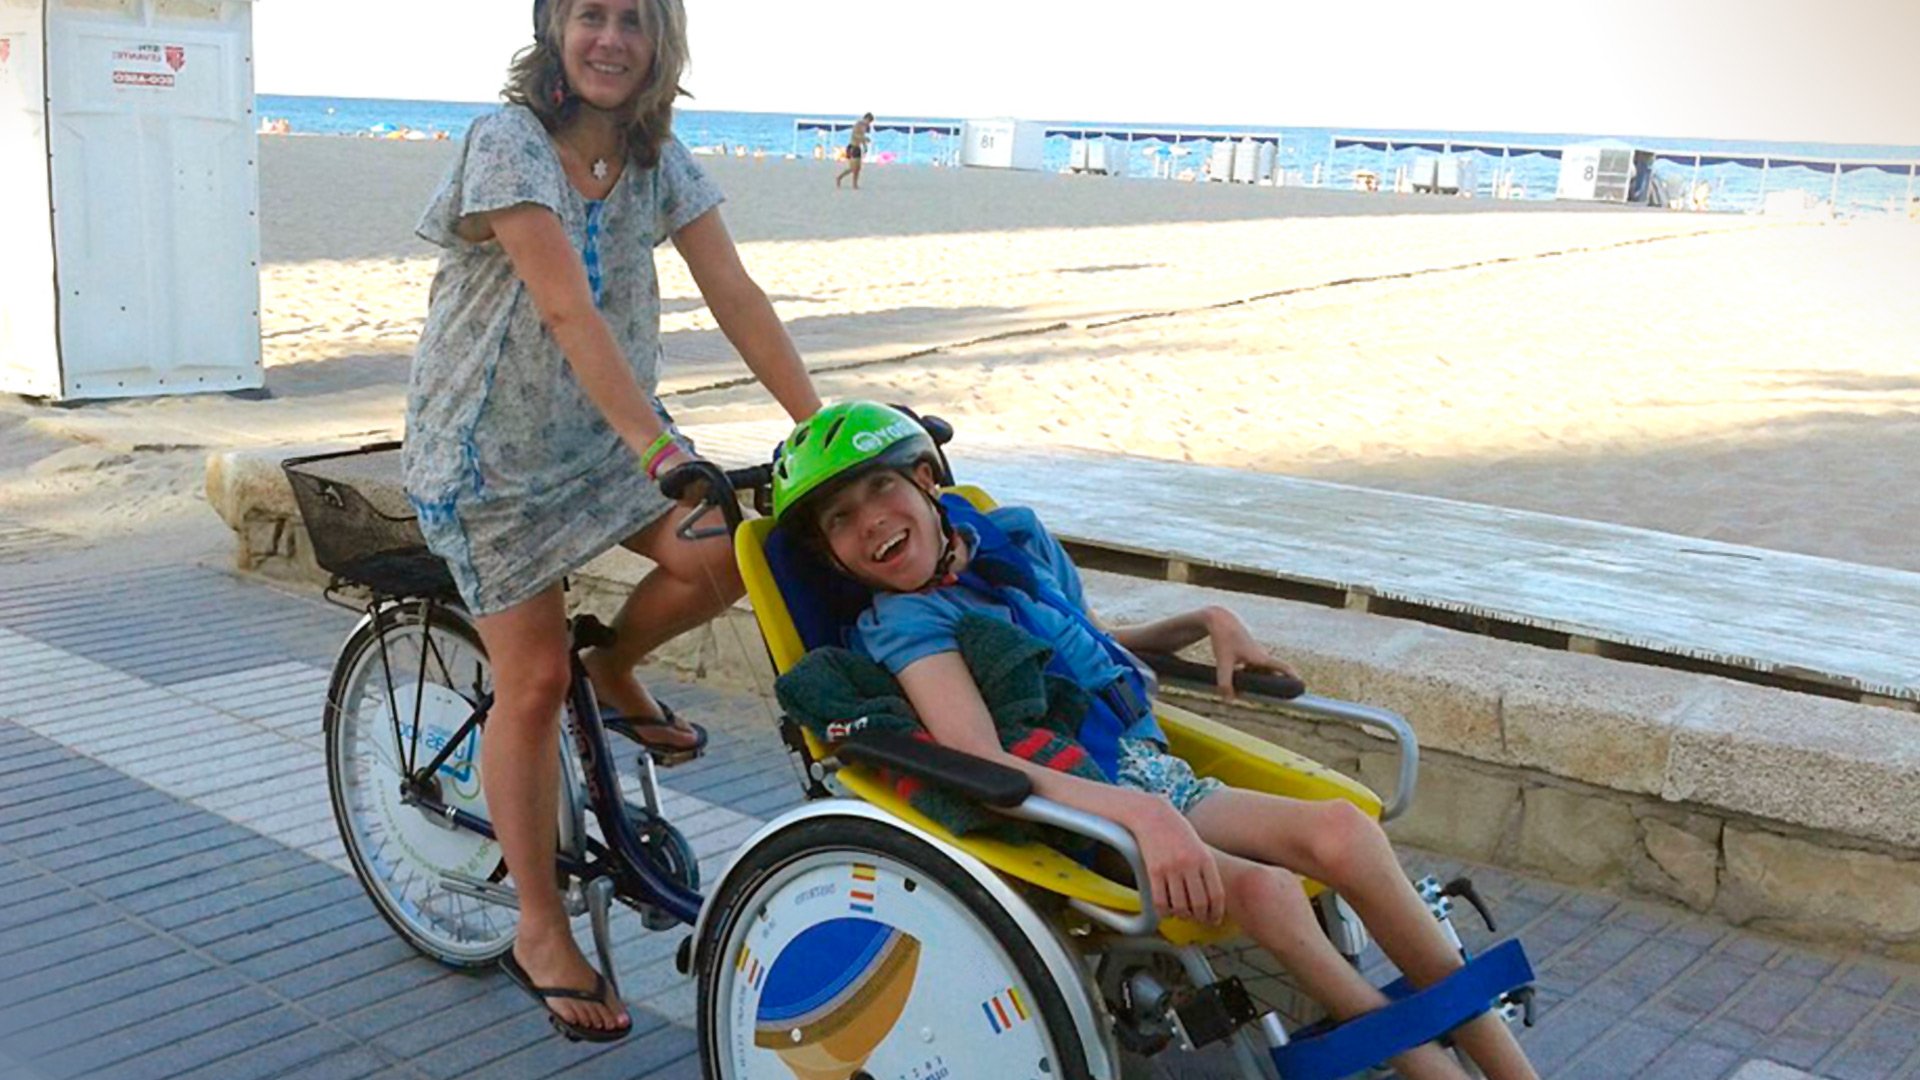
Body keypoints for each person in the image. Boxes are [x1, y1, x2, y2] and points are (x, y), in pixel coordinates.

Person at [767, 402, 1539, 1080]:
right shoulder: (908, 625)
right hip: (1072, 815)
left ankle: (1506, 1064)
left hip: (1147, 775)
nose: (869, 520)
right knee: (1267, 888)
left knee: (1345, 827)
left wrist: (1209, 622)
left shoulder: (1007, 545)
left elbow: (1093, 645)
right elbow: (981, 763)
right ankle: (1425, 1065)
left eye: (881, 487)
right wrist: (1144, 819)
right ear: (832, 556)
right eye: (838, 518)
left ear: (928, 481)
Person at [402, 0, 820, 1042]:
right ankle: (542, 926)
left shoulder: (657, 156)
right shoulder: (507, 142)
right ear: (553, 27)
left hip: (604, 441)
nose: (612, 40)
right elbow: (564, 308)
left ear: (660, 42)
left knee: (734, 553)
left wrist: (829, 430)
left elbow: (732, 287)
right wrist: (662, 451)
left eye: (636, 21)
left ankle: (616, 666)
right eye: (591, 14)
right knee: (532, 681)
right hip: (487, 456)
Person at [835, 112, 874, 190]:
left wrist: (865, 146)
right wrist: (865, 139)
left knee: (858, 168)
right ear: (866, 119)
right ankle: (839, 177)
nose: (869, 123)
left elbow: (862, 136)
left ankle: (854, 184)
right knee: (853, 168)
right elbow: (855, 135)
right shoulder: (858, 124)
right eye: (869, 121)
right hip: (852, 147)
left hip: (858, 147)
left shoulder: (865, 127)